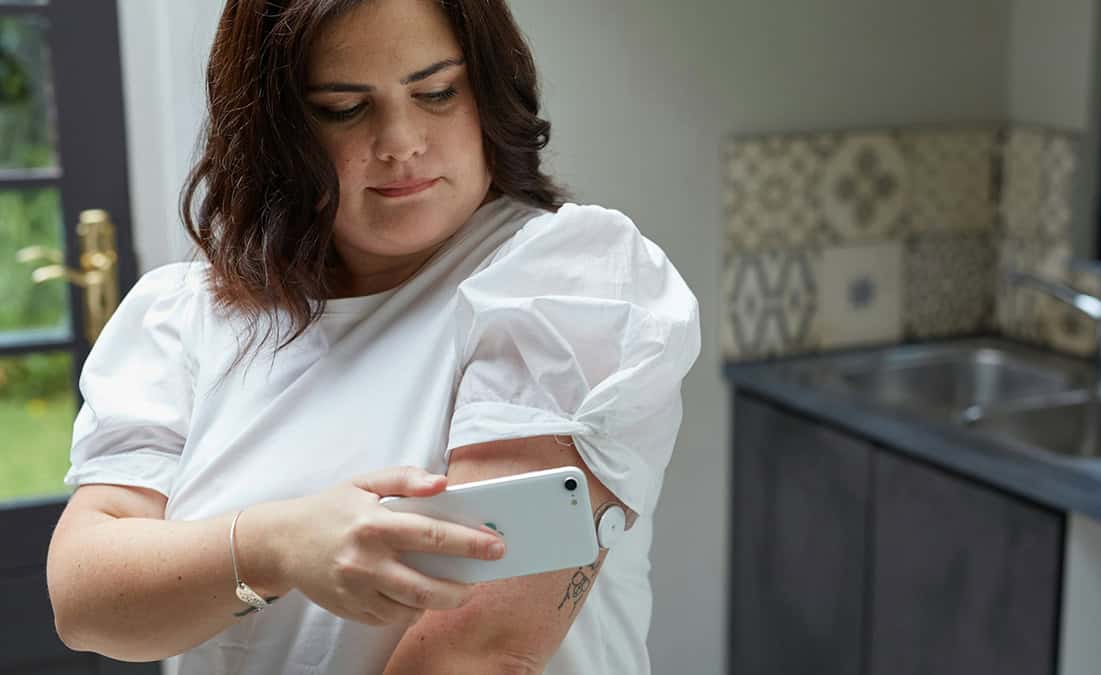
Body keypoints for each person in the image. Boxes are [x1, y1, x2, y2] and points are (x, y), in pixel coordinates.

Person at [44, 0, 701, 673]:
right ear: (275, 128)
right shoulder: (187, 314)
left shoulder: (568, 281)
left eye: (437, 92)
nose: (401, 142)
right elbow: (85, 602)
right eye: (346, 107)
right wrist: (277, 544)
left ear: (487, 88)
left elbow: (475, 654)